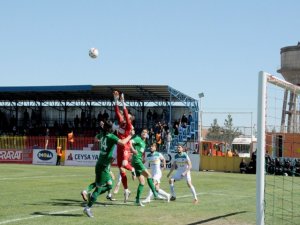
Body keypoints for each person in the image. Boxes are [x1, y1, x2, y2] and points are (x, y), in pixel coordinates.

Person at [83, 120, 133, 218]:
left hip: (101, 164)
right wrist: (130, 135)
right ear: (111, 128)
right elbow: (122, 143)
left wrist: (103, 127)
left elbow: (96, 138)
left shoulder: (103, 135)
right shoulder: (111, 137)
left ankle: (91, 195)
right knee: (99, 188)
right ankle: (88, 207)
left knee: (110, 184)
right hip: (103, 166)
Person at [113, 91, 136, 202]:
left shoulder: (129, 125)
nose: (126, 116)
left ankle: (132, 169)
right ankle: (126, 190)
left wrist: (123, 102)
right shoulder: (121, 122)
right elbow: (117, 112)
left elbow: (125, 113)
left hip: (125, 146)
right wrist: (115, 100)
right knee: (121, 169)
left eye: (128, 117)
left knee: (124, 164)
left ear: (130, 119)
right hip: (119, 147)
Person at [130, 129, 160, 206]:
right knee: (149, 176)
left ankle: (137, 200)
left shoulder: (144, 142)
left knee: (142, 182)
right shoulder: (138, 138)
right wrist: (133, 150)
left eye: (146, 133)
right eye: (143, 132)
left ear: (147, 135)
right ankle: (155, 194)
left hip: (136, 161)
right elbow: (130, 142)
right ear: (141, 133)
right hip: (137, 160)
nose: (144, 133)